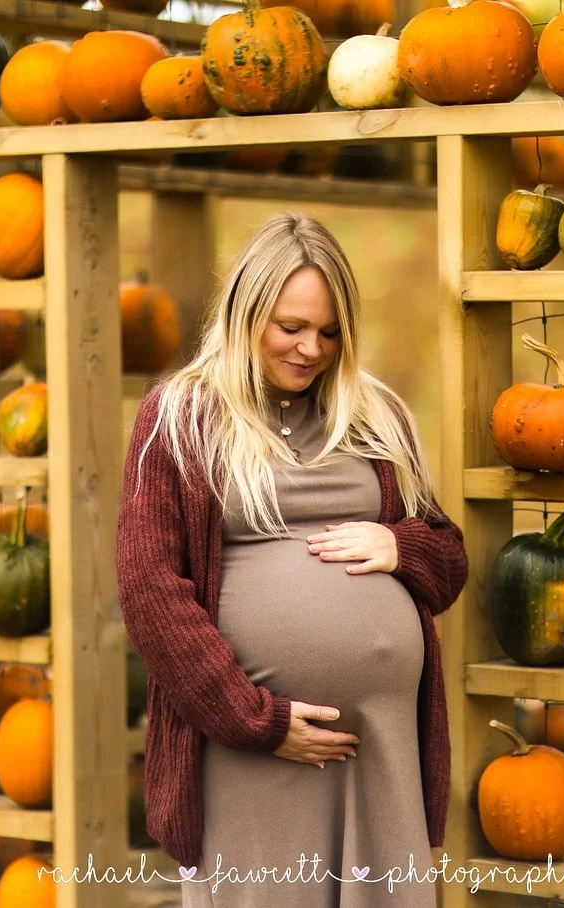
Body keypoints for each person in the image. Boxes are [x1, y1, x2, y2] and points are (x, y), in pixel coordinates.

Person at [116, 212, 468, 907]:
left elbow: (449, 555)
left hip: (380, 748)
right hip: (252, 747)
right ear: (247, 312)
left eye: (330, 333)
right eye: (292, 327)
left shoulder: (374, 416)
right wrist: (255, 721)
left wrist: (403, 548)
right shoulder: (180, 418)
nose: (312, 349)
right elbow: (149, 589)